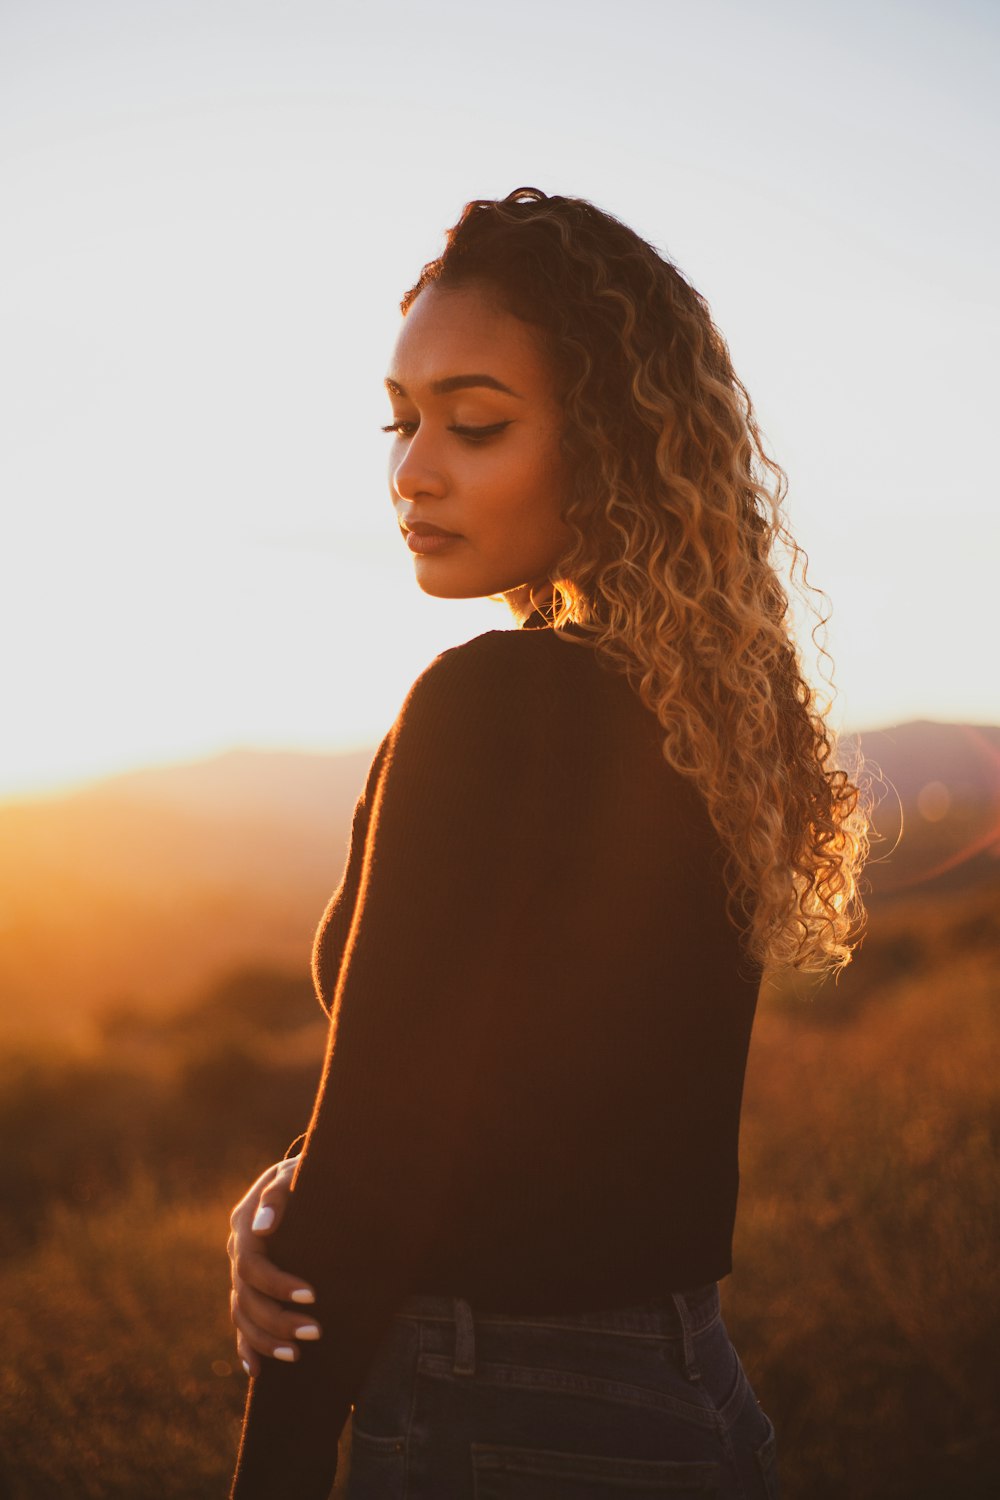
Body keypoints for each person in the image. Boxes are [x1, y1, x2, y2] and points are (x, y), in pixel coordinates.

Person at [227, 187, 869, 1499]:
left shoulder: (495, 699)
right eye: (401, 422)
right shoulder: (710, 721)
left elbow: (394, 1151)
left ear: (614, 440)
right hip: (689, 1393)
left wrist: (278, 1460)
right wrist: (298, 1176)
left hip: (498, 1411)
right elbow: (533, 1096)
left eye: (474, 424)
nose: (414, 469)